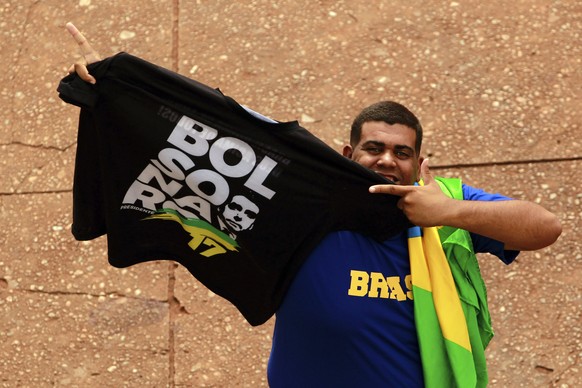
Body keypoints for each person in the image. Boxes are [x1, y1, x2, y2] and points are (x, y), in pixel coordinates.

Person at [65, 22, 562, 387]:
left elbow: (544, 227)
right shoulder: (297, 194)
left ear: (419, 162)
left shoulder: (447, 206)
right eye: (374, 148)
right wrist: (117, 85)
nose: (388, 160)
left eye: (402, 152)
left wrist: (449, 214)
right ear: (348, 153)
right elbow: (214, 132)